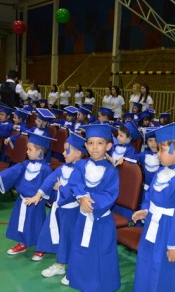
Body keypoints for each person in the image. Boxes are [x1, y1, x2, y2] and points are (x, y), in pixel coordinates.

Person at [132, 122, 175, 292]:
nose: (158, 153)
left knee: (165, 273)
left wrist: (174, 245)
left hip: (169, 233)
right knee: (147, 265)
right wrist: (146, 210)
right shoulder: (161, 172)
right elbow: (150, 196)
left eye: (162, 149)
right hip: (152, 228)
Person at [64, 124, 121, 291]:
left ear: (108, 146)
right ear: (86, 145)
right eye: (90, 143)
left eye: (100, 143)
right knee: (81, 247)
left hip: (101, 220)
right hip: (83, 216)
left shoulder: (111, 171)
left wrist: (90, 202)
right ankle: (81, 280)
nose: (94, 148)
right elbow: (75, 182)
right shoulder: (80, 165)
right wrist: (81, 197)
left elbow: (110, 194)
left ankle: (101, 284)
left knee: (101, 252)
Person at [27, 132, 86, 274]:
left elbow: (74, 190)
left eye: (67, 150)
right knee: (58, 235)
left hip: (72, 211)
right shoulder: (63, 167)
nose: (63, 152)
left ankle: (69, 268)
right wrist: (39, 194)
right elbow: (51, 178)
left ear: (78, 153)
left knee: (69, 239)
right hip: (61, 209)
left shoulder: (82, 169)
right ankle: (60, 265)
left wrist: (61, 188)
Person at [0, 131, 53, 256]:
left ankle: (40, 248)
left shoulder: (46, 169)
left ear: (39, 152)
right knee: (21, 223)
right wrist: (0, 175)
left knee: (36, 225)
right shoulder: (25, 164)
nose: (27, 152)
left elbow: (48, 186)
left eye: (30, 149)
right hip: (22, 200)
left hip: (36, 203)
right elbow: (14, 170)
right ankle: (22, 243)